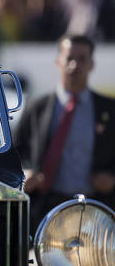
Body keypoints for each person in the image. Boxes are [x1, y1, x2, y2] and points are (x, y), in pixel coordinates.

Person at [13, 34, 115, 230]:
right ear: (58, 61)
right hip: (48, 209)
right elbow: (16, 151)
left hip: (96, 210)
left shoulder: (108, 110)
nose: (75, 65)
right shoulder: (37, 107)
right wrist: (24, 173)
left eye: (82, 59)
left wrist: (111, 178)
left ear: (92, 64)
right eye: (69, 58)